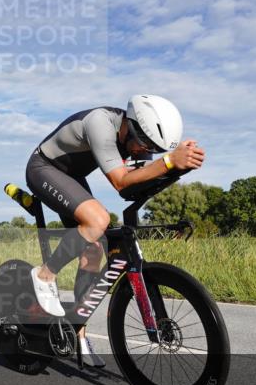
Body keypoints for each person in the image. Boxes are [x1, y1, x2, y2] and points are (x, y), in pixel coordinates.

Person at [25, 94, 205, 367]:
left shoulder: (136, 137)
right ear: (129, 126)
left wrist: (179, 168)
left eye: (152, 148)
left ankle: (78, 332)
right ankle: (44, 275)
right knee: (98, 221)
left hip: (71, 177)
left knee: (94, 252)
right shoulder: (101, 123)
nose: (143, 151)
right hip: (43, 168)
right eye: (142, 144)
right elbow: (122, 182)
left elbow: (139, 179)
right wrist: (168, 162)